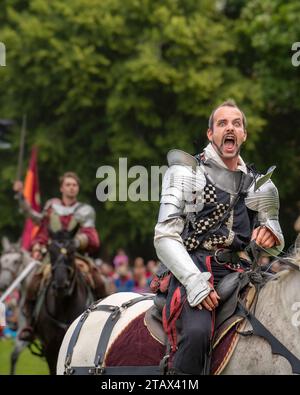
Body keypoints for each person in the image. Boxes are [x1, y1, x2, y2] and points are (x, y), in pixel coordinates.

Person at [154, 99, 284, 375]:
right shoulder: (186, 172)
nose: (230, 128)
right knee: (199, 332)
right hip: (195, 267)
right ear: (210, 134)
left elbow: (275, 237)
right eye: (222, 123)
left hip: (244, 272)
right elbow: (164, 235)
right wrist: (194, 283)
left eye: (237, 123)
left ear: (243, 135)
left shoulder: (260, 185)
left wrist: (271, 236)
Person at [13, 171, 103, 341]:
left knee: (98, 280)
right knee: (34, 283)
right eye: (68, 185)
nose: (71, 188)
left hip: (76, 256)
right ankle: (31, 325)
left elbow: (92, 236)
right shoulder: (51, 207)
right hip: (53, 256)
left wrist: (76, 242)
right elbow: (40, 224)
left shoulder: (85, 210)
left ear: (78, 188)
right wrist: (20, 197)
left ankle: (102, 321)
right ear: (62, 188)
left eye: (74, 185)